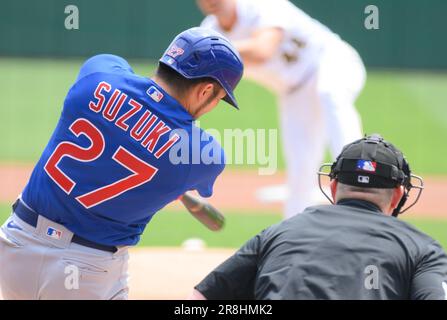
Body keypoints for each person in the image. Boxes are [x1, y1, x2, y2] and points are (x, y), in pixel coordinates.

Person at [0, 27, 243, 300]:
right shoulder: (203, 154)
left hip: (14, 248)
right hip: (84, 274)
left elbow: (122, 114)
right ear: (206, 90)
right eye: (219, 99)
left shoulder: (98, 74)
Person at [190, 134, 447, 300]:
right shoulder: (422, 249)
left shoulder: (279, 232)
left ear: (333, 188)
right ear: (398, 194)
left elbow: (198, 300)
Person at [196, 0, 366, 218]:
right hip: (294, 93)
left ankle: (356, 170)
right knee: (300, 169)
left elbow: (263, 50)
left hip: (333, 60)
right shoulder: (209, 31)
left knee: (330, 93)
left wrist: (209, 49)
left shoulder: (262, 5)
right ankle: (293, 239)